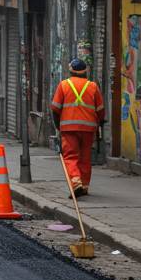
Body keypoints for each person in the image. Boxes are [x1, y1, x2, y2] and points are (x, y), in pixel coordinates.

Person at [51, 58, 106, 196]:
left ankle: (75, 182)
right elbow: (100, 110)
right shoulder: (92, 86)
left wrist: (58, 126)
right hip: (88, 128)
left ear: (70, 71)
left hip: (69, 128)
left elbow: (55, 108)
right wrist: (99, 124)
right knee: (85, 157)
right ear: (85, 71)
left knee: (70, 156)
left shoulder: (64, 85)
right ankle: (85, 186)